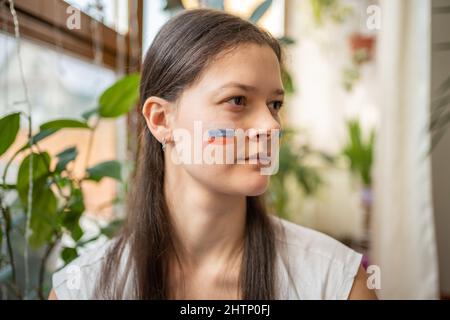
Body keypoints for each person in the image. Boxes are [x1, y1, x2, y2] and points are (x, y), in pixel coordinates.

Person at [49, 8, 377, 300]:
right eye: (237, 100)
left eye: (274, 104)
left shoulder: (337, 283)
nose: (272, 126)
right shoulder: (84, 287)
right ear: (161, 120)